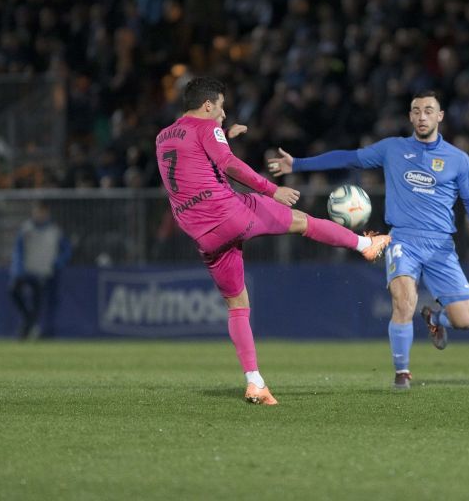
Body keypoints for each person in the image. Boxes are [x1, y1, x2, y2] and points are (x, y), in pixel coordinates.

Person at [155, 77, 390, 406]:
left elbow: (196, 169)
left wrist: (225, 137)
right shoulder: (208, 129)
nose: (223, 115)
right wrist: (271, 189)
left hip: (200, 231)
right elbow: (228, 165)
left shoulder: (164, 136)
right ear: (207, 105)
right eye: (221, 108)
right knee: (301, 221)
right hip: (228, 212)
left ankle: (255, 383)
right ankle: (366, 246)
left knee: (237, 307)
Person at [269, 91, 469, 389]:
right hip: (402, 239)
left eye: (429, 110)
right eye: (416, 111)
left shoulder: (458, 159)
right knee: (404, 302)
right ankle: (402, 374)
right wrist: (298, 164)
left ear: (440, 116)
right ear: (410, 116)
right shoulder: (393, 149)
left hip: (441, 245)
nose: (422, 116)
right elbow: (349, 158)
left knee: (466, 320)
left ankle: (434, 320)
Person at [9, 201, 72, 340]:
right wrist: (18, 269)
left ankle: (36, 330)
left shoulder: (55, 231)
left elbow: (67, 250)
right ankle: (28, 323)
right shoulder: (26, 229)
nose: (39, 215)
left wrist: (58, 262)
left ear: (47, 213)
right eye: (37, 212)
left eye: (42, 212)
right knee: (13, 291)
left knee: (41, 303)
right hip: (28, 271)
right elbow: (18, 251)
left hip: (45, 272)